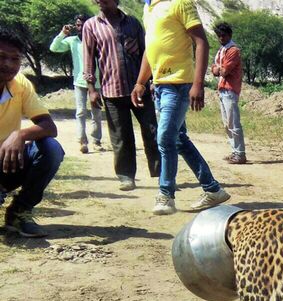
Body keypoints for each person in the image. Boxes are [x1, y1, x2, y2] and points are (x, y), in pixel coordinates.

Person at [133, 0, 230, 215]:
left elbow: (201, 42)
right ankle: (213, 189)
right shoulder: (149, 9)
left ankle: (166, 195)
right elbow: (150, 51)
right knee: (177, 139)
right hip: (159, 87)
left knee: (165, 138)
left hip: (178, 85)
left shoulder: (180, 3)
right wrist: (140, 82)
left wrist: (198, 84)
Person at [82, 0, 160, 192]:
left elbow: (147, 52)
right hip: (111, 91)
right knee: (120, 137)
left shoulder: (133, 22)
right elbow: (88, 58)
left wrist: (149, 82)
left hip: (139, 89)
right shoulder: (91, 25)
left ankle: (161, 175)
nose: (100, 1)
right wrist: (91, 89)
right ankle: (126, 177)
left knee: (152, 132)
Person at [0, 26, 64, 238]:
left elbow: (49, 126)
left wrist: (19, 135)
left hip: (8, 161)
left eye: (15, 59)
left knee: (51, 148)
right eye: (2, 57)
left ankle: (20, 212)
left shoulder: (20, 85)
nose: (8, 64)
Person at [49, 14, 103, 155]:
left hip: (96, 81)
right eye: (78, 25)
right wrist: (63, 33)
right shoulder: (73, 41)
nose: (80, 27)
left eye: (83, 24)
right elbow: (54, 48)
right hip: (79, 82)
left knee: (96, 113)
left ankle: (96, 141)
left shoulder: (97, 39)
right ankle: (82, 141)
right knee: (80, 112)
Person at [211, 22, 247, 165]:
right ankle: (235, 151)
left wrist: (217, 69)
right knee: (227, 123)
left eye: (223, 35)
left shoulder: (233, 50)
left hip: (230, 89)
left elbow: (224, 71)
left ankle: (240, 153)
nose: (221, 38)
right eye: (219, 36)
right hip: (222, 88)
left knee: (233, 122)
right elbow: (214, 68)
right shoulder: (222, 50)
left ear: (229, 35)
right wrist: (217, 69)